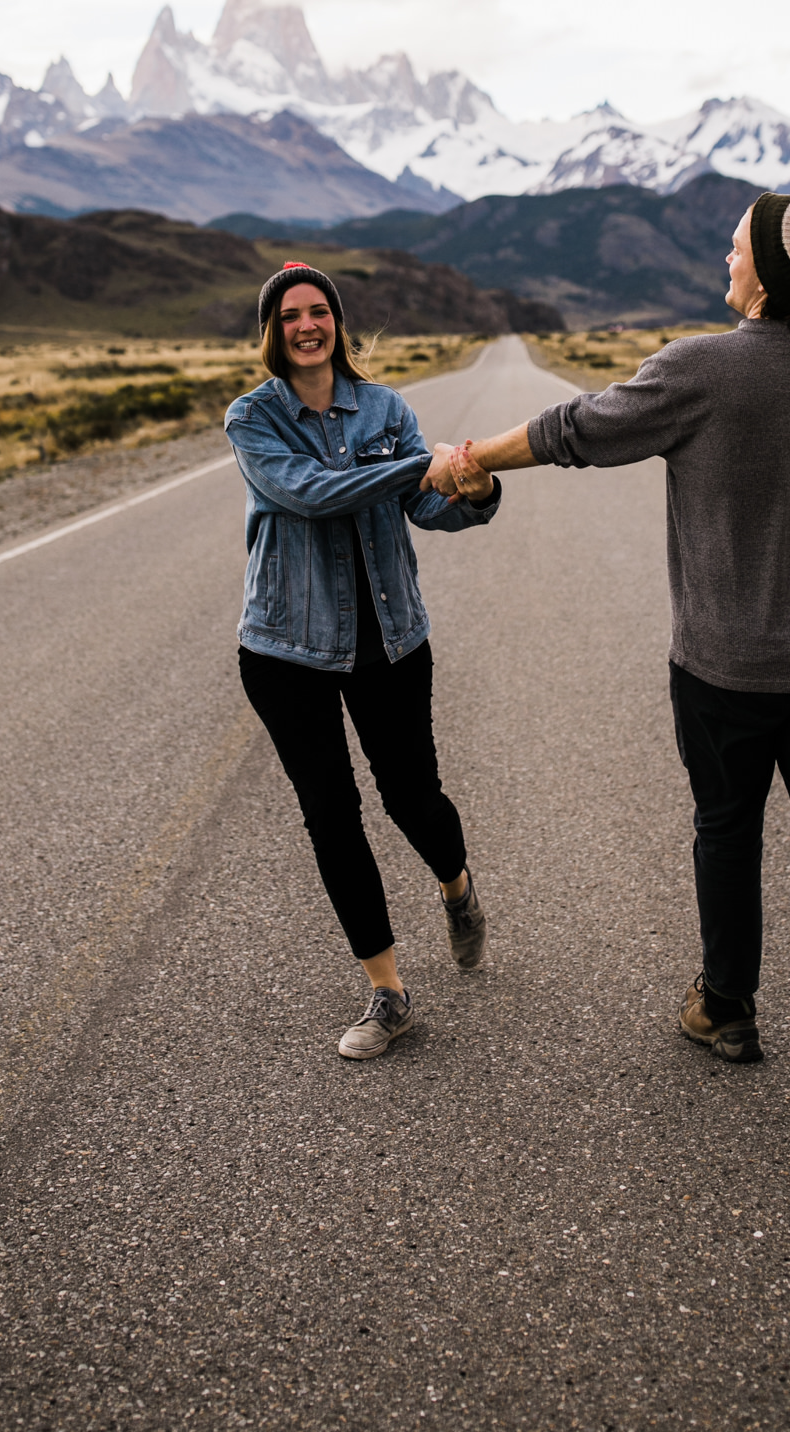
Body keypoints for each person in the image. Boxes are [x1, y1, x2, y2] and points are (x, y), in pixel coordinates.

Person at [430, 193, 790, 1156]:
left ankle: (727, 1007)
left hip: (723, 671)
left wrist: (467, 460)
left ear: (767, 273)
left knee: (725, 829)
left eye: (734, 246)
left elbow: (576, 430)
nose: (722, 258)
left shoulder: (700, 366)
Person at [225, 262, 501, 1061]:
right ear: (272, 333)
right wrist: (423, 466)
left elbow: (427, 509)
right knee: (331, 815)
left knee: (412, 798)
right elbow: (309, 492)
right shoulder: (253, 419)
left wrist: (471, 491)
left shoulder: (385, 408)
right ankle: (388, 992)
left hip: (389, 639)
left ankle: (456, 887)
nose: (306, 326)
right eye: (289, 316)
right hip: (284, 648)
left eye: (318, 312)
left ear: (337, 324)